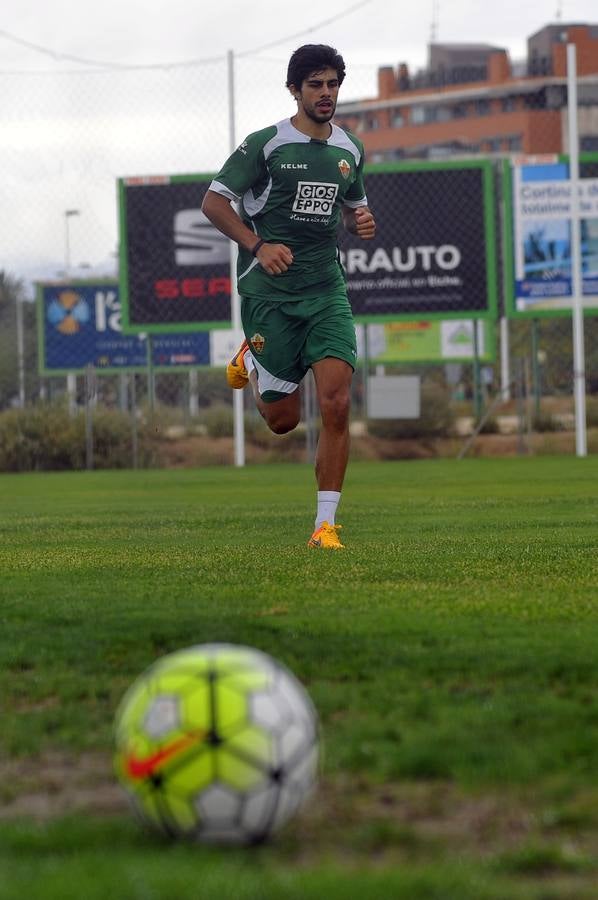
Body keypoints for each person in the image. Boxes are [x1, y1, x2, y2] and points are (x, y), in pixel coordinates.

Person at [201, 43, 376, 550]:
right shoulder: (267, 144)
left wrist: (358, 220)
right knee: (283, 421)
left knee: (337, 403)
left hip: (325, 291)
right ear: (295, 90)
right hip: (269, 294)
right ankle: (253, 364)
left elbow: (351, 208)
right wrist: (258, 244)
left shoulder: (351, 149)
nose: (326, 94)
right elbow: (213, 202)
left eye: (333, 84)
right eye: (316, 85)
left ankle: (325, 527)